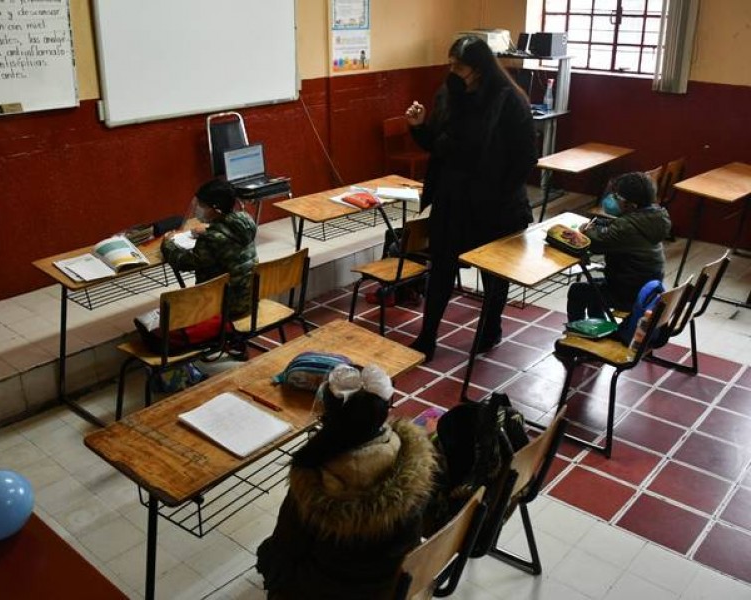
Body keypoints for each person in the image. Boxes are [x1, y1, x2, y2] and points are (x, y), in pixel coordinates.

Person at [405, 35, 538, 361]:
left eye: (458, 66)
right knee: (441, 270)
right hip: (453, 201)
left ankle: (491, 328)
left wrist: (499, 195)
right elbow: (438, 145)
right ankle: (427, 336)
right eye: (449, 64)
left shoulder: (509, 99)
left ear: (478, 68)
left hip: (496, 205)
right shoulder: (450, 94)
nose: (451, 70)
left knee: (493, 274)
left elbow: (525, 159)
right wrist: (419, 127)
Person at [256, 364, 438, 600]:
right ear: (382, 413)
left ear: (328, 416)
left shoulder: (315, 484)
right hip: (387, 587)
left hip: (325, 592)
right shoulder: (411, 461)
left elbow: (285, 549)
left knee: (268, 554)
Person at [566, 171, 671, 321]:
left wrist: (585, 230)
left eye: (617, 197)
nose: (613, 199)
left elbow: (596, 244)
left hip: (629, 294)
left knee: (578, 291)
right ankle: (597, 326)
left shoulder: (627, 227)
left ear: (631, 205)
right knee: (593, 288)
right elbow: (618, 227)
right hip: (646, 289)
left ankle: (575, 334)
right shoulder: (654, 217)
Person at [162, 179, 257, 321]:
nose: (198, 208)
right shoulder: (246, 222)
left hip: (224, 307)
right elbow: (227, 231)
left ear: (216, 209)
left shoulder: (210, 239)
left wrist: (167, 244)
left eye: (202, 205)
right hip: (249, 300)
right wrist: (211, 227)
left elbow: (184, 263)